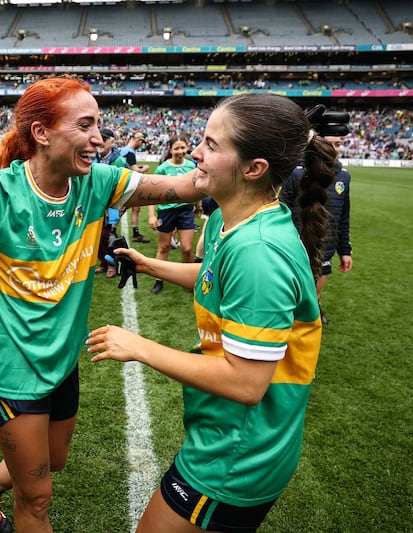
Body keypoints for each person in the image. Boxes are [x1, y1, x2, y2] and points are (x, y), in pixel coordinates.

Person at [0, 76, 200, 533]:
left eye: (99, 125)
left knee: (55, 461)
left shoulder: (99, 183)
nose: (98, 139)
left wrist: (231, 150)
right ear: (42, 133)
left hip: (63, 362)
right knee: (37, 497)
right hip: (12, 370)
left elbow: (182, 188)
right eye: (85, 125)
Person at [87, 92, 336, 532]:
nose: (196, 152)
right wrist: (148, 262)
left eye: (211, 145)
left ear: (254, 169)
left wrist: (139, 346)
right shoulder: (231, 218)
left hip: (239, 453)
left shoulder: (259, 253)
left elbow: (245, 384)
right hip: (225, 434)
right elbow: (213, 275)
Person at [280, 134, 353, 325]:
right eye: (329, 144)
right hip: (295, 246)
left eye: (338, 144)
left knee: (313, 293)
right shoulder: (295, 174)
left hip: (325, 247)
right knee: (291, 293)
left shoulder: (344, 177)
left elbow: (343, 217)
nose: (335, 148)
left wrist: (345, 250)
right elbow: (281, 211)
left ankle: (314, 307)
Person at [147, 134, 197, 294]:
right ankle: (159, 280)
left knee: (188, 249)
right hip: (166, 212)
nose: (180, 151)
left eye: (183, 147)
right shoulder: (162, 168)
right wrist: (151, 215)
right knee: (164, 247)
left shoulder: (192, 166)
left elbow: (197, 186)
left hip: (185, 210)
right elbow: (153, 192)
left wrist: (198, 204)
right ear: (170, 149)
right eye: (177, 148)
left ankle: (188, 280)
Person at [94, 127, 123, 278]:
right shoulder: (95, 157)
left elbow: (122, 185)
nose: (101, 142)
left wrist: (119, 208)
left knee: (108, 234)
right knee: (97, 235)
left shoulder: (119, 160)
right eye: (100, 139)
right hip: (98, 202)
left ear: (112, 142)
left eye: (105, 139)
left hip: (113, 204)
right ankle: (104, 263)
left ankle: (113, 264)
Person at [119, 131, 152, 243]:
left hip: (125, 182)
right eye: (141, 142)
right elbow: (135, 170)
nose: (141, 144)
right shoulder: (129, 152)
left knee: (135, 208)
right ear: (138, 140)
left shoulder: (126, 151)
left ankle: (135, 233)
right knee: (124, 209)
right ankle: (111, 229)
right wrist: (144, 169)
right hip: (127, 184)